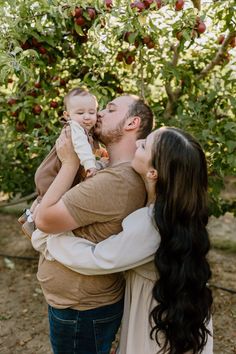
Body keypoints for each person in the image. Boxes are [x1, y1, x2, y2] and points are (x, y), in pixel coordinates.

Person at [35, 127, 213, 354]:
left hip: (154, 314)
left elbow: (97, 259)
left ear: (153, 173)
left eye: (144, 146)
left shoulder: (151, 225)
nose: (137, 143)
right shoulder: (178, 213)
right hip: (169, 306)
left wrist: (49, 239)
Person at [34, 94, 154, 354]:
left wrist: (69, 162)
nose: (97, 115)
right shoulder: (107, 170)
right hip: (78, 304)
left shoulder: (115, 182)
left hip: (81, 309)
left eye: (109, 110)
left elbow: (43, 220)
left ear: (132, 123)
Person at [18, 87, 106, 238]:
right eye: (80, 113)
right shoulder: (75, 128)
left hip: (49, 171)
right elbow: (81, 146)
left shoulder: (84, 130)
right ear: (67, 115)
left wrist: (101, 152)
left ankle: (27, 215)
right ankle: (31, 223)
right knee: (47, 199)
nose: (87, 117)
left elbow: (90, 145)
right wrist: (90, 164)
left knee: (42, 197)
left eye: (92, 113)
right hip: (54, 172)